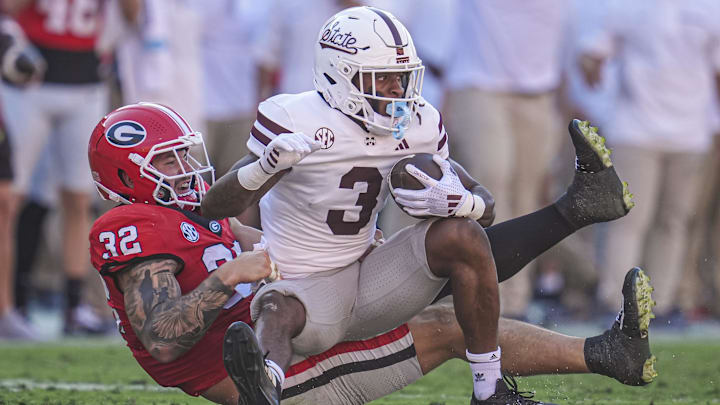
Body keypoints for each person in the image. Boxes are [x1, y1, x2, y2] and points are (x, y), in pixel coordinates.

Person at [201, 6, 634, 404]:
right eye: (382, 78)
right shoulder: (296, 120)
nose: (397, 90)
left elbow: (487, 207)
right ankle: (266, 383)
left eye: (402, 76)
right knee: (279, 307)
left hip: (372, 273)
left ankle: (490, 390)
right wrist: (262, 168)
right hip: (307, 286)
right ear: (340, 75)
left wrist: (459, 202)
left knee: (460, 235)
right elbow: (216, 205)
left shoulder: (420, 123)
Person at [89, 103, 654, 405]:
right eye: (168, 161)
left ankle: (587, 248)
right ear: (122, 172)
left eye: (185, 155)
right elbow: (162, 339)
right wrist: (228, 277)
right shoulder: (129, 225)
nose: (186, 169)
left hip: (296, 332)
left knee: (435, 262)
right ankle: (604, 350)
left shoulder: (195, 220)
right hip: (257, 380)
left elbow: (254, 250)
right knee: (443, 325)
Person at [578, 0, 720, 325]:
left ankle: (662, 304)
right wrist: (592, 67)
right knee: (628, 218)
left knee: (674, 221)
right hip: (635, 129)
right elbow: (593, 51)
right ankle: (615, 301)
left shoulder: (709, 8)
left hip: (691, 132)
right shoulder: (626, 5)